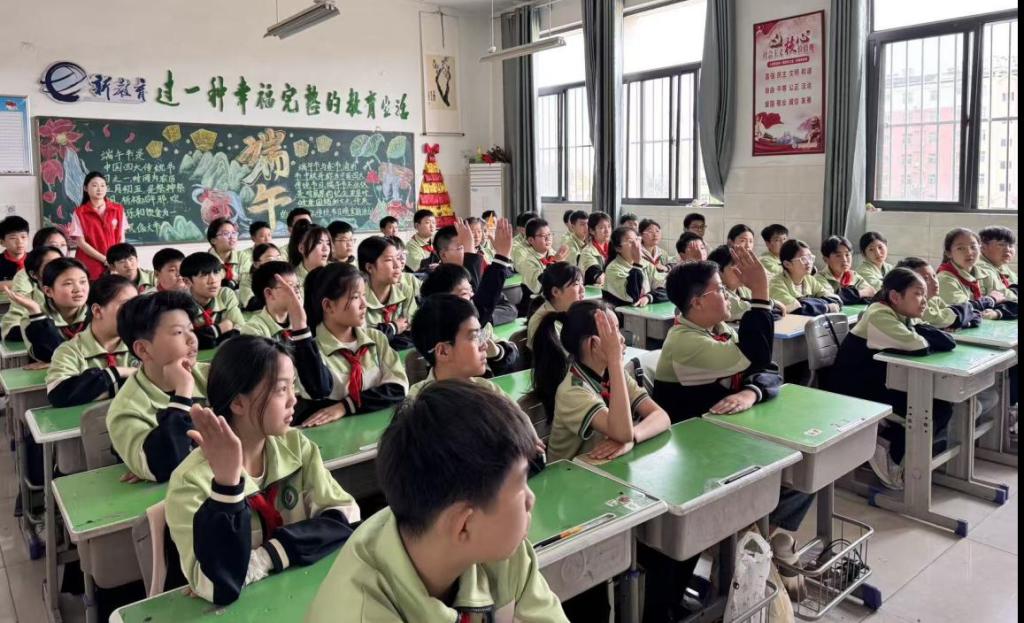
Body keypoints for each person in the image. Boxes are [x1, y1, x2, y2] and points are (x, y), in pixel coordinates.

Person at [306, 380, 569, 622]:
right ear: (464, 525)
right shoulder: (359, 613)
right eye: (520, 484)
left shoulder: (502, 549)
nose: (530, 499)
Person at [166, 336, 360, 606]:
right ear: (238, 403)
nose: (294, 399)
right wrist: (227, 486)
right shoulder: (190, 481)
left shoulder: (295, 445)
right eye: (281, 389)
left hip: (300, 597)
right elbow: (217, 586)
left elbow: (346, 517)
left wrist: (265, 557)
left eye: (292, 385)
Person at [826, 268, 958, 489]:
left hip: (878, 382)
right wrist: (922, 333)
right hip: (856, 390)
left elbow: (944, 341)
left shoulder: (899, 314)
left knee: (942, 404)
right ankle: (889, 450)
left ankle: (894, 445)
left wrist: (921, 331)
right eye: (918, 294)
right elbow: (918, 346)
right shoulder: (879, 315)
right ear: (896, 296)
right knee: (926, 409)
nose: (924, 301)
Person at [532, 299, 670, 463]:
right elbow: (621, 433)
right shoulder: (572, 391)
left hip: (600, 467)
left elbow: (661, 417)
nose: (621, 339)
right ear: (594, 344)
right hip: (569, 474)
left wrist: (633, 437)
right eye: (614, 332)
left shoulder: (613, 375)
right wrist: (615, 361)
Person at [653, 250, 781, 422]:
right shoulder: (684, 342)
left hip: (723, 424)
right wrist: (759, 291)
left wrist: (750, 392)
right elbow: (756, 355)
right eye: (721, 289)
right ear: (697, 302)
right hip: (689, 432)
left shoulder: (719, 329)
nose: (727, 294)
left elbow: (766, 367)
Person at [106, 290, 208, 482]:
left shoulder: (211, 375)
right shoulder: (126, 409)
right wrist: (183, 394)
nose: (192, 339)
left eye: (191, 329)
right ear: (143, 349)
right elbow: (163, 467)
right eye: (178, 332)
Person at [295, 263, 408, 427]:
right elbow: (318, 392)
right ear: (328, 305)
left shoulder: (376, 339)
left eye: (364, 295)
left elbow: (398, 387)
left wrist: (345, 406)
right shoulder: (311, 351)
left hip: (377, 429)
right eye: (355, 297)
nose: (364, 304)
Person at [45, 274, 138, 407]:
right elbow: (58, 395)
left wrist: (92, 390)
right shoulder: (69, 350)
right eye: (125, 306)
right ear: (97, 311)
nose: (134, 313)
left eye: (136, 306)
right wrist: (118, 372)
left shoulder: (142, 344)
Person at [419, 264, 520, 376]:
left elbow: (512, 353)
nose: (472, 297)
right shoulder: (436, 336)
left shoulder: (476, 324)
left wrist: (498, 352)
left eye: (471, 292)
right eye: (464, 294)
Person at [408, 293, 502, 397]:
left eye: (480, 335)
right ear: (443, 352)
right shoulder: (418, 402)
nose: (484, 345)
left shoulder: (488, 389)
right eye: (474, 337)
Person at [7, 257, 90, 362]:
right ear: (48, 291)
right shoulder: (31, 319)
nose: (78, 289)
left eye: (83, 282)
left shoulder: (99, 313)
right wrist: (36, 313)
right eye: (68, 283)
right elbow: (48, 355)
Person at [938, 228, 1017, 319]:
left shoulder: (986, 275)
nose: (969, 253)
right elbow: (962, 312)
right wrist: (990, 300)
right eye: (960, 248)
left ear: (980, 249)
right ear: (948, 253)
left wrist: (998, 312)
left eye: (973, 247)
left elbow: (1013, 300)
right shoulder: (944, 279)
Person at [359, 236, 417, 351]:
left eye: (398, 258)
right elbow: (361, 339)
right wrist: (393, 328)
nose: (398, 265)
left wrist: (382, 332)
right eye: (389, 260)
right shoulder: (357, 298)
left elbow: (412, 330)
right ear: (369, 267)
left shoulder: (405, 291)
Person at [69, 172, 127, 281]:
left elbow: (121, 238)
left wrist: (116, 260)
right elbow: (81, 243)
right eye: (95, 185)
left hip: (114, 264)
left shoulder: (118, 209)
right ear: (85, 188)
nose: (99, 189)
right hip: (90, 265)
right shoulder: (80, 213)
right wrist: (105, 259)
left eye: (103, 185)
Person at [180, 252, 245, 349]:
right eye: (204, 275)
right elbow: (183, 341)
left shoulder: (225, 294)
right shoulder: (178, 303)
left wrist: (207, 337)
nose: (213, 280)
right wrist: (219, 329)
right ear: (187, 281)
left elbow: (241, 330)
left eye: (216, 272)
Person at [896, 257, 981, 330]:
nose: (935, 282)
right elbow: (944, 320)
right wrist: (963, 319)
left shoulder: (934, 299)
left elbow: (970, 316)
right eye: (925, 279)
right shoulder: (914, 306)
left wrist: (963, 320)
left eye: (934, 276)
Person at [708, 245, 785, 321]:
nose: (742, 270)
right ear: (718, 272)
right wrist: (772, 303)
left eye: (742, 265)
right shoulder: (717, 296)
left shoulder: (743, 289)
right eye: (735, 266)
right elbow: (747, 309)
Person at [1, 245, 62, 342]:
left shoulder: (78, 294)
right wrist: (37, 317)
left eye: (60, 263)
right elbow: (10, 331)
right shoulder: (26, 300)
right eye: (50, 265)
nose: (58, 269)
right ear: (34, 274)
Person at [769, 239, 841, 314]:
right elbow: (796, 309)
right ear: (787, 264)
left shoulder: (809, 279)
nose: (809, 262)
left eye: (810, 258)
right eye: (803, 259)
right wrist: (825, 307)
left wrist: (809, 304)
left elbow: (835, 300)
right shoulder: (776, 284)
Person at [603, 226, 667, 307]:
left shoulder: (646, 265)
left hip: (644, 312)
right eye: (630, 242)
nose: (636, 245)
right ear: (618, 248)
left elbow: (668, 288)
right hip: (620, 313)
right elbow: (632, 297)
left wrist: (649, 297)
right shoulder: (612, 269)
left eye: (637, 240)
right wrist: (637, 264)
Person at [241, 262, 305, 341]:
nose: (297, 291)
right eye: (290, 287)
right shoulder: (253, 330)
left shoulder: (302, 319)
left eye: (297, 286)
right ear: (269, 293)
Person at [526, 262, 585, 349]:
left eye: (582, 284)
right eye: (576, 284)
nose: (582, 290)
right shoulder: (544, 325)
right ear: (555, 292)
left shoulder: (570, 311)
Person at [513, 218, 569, 298]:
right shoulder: (527, 261)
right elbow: (538, 287)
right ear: (531, 240)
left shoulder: (554, 254)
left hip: (555, 298)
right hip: (534, 302)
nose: (548, 238)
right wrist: (556, 263)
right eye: (543, 236)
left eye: (549, 234)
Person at [820, 236, 876, 304]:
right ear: (826, 259)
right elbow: (833, 299)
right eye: (838, 255)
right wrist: (861, 293)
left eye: (847, 255)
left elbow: (871, 292)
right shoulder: (820, 278)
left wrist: (852, 295)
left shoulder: (853, 276)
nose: (844, 260)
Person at [206, 218, 248, 291]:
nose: (232, 237)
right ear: (213, 240)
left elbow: (248, 282)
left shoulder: (242, 257)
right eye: (226, 234)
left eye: (234, 233)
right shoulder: (205, 261)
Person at [239, 243, 283, 311]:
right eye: (270, 259)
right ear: (256, 264)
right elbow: (252, 304)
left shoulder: (286, 277)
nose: (276, 262)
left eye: (278, 258)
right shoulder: (247, 280)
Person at [977, 226, 1018, 294]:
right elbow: (1001, 295)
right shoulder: (980, 268)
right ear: (983, 247)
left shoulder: (1003, 268)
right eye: (1001, 244)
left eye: (1011, 246)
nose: (1008, 249)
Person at [578, 212, 612, 286]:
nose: (607, 231)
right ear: (591, 231)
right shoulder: (587, 252)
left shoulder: (613, 247)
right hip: (592, 292)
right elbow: (600, 279)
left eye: (609, 226)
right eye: (602, 228)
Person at [0, 215, 30, 286]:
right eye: (13, 238)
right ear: (2, 242)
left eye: (23, 237)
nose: (20, 242)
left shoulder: (37, 259)